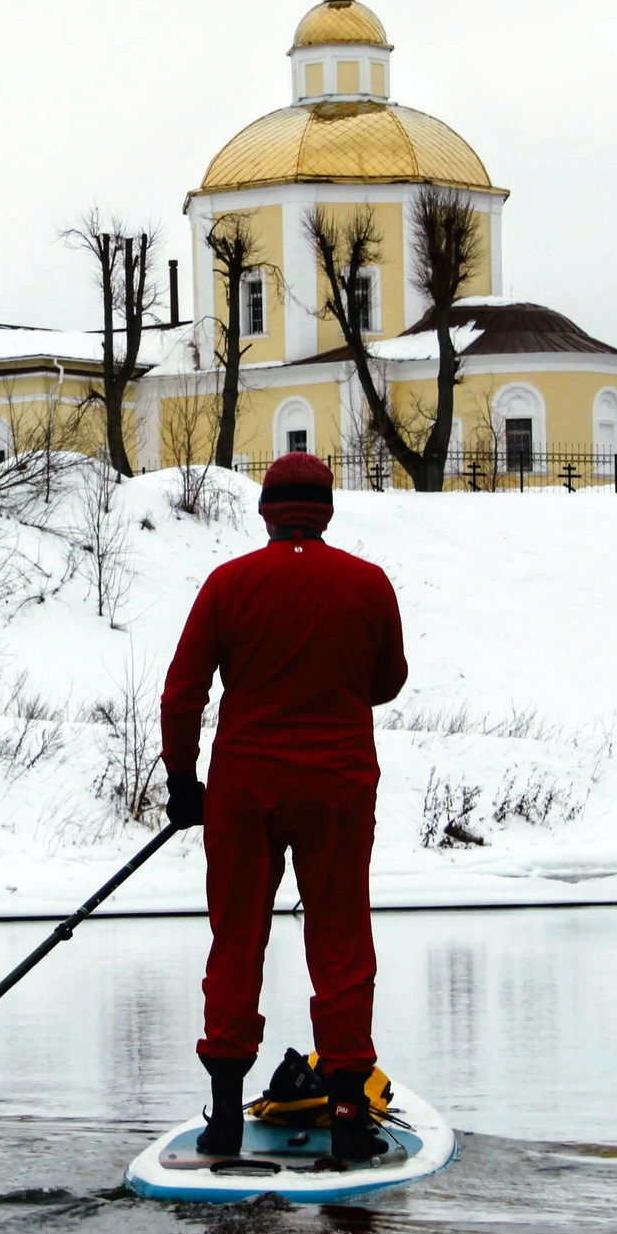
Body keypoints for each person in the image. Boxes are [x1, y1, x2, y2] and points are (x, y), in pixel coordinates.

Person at [159, 453, 407, 1161]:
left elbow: (183, 692)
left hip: (246, 791)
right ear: (325, 510)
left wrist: (183, 781)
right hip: (338, 788)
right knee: (341, 939)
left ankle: (228, 1117)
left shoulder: (227, 583)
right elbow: (387, 681)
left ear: (266, 511)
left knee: (236, 939)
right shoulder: (368, 583)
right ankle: (351, 1112)